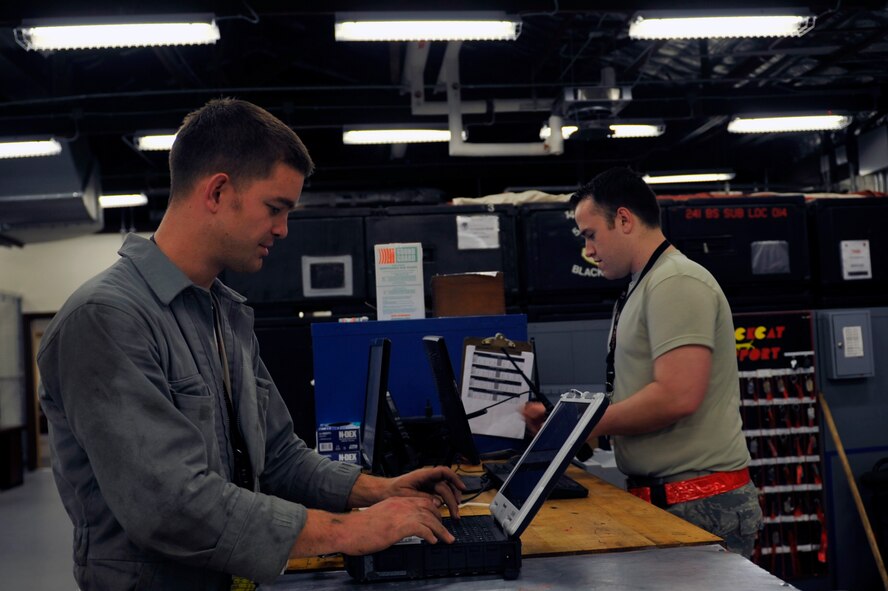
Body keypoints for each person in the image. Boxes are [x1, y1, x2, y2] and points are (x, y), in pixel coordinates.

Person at [37, 98, 464, 590]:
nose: (283, 229)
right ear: (218, 191)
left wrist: (374, 491)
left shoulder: (224, 312)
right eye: (274, 208)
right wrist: (348, 530)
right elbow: (171, 508)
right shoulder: (107, 319)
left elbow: (278, 455)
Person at [522, 167, 762, 557]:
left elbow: (676, 397)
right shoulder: (643, 287)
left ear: (624, 219)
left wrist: (576, 426)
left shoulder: (676, 282)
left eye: (591, 235)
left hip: (700, 505)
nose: (589, 250)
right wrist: (570, 429)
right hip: (671, 501)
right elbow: (642, 394)